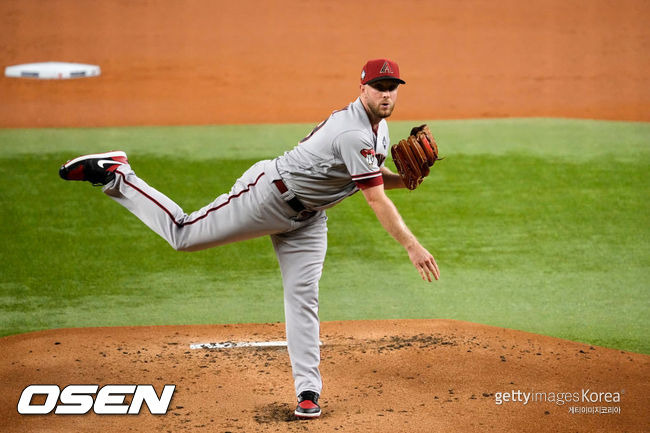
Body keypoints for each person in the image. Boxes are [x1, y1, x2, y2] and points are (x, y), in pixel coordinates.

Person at [59, 58, 440, 419]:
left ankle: (308, 394)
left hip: (307, 221)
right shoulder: (353, 131)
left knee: (303, 297)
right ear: (363, 88)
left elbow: (369, 177)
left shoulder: (379, 127)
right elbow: (374, 196)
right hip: (267, 197)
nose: (386, 94)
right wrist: (412, 245)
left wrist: (403, 179)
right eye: (379, 87)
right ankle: (117, 173)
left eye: (392, 87)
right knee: (183, 235)